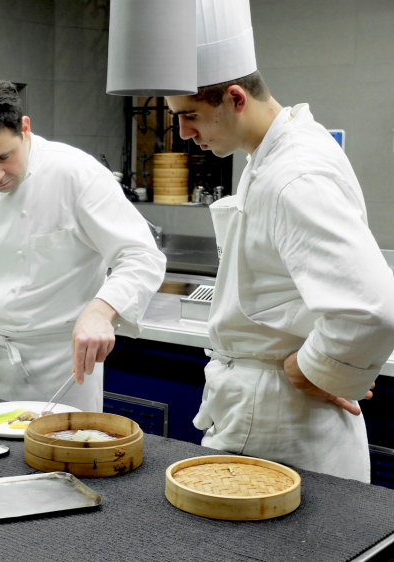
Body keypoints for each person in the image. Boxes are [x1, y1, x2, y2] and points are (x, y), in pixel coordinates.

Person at [164, 0, 394, 482]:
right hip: (265, 415)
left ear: (234, 97)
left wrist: (312, 369)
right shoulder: (267, 157)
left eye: (190, 117)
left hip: (280, 423)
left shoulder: (294, 173)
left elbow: (371, 308)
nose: (184, 134)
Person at [0, 78, 166, 411]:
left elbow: (141, 256)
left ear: (25, 128)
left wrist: (100, 312)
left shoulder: (75, 173)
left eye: (4, 157)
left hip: (59, 369)